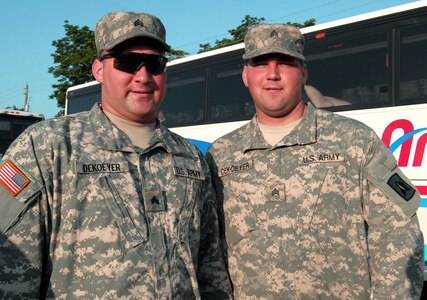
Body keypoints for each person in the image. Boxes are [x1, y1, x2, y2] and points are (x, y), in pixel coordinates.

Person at [0, 12, 231, 299]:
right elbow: (11, 267)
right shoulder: (47, 146)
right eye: (127, 62)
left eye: (155, 64)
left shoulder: (190, 157)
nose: (143, 76)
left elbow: (211, 267)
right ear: (99, 70)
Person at [205, 23, 424, 299]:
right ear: (246, 76)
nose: (272, 74)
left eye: (285, 63)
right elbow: (209, 253)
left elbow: (398, 234)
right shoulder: (221, 154)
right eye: (260, 63)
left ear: (304, 73)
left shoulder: (354, 141)